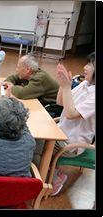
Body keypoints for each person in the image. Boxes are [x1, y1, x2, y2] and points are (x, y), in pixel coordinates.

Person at [49, 52, 95, 196]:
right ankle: (50, 171)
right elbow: (61, 102)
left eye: (90, 64)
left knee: (37, 143)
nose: (85, 67)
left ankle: (54, 177)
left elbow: (71, 114)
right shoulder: (85, 84)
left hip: (73, 143)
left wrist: (67, 87)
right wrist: (63, 85)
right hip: (61, 134)